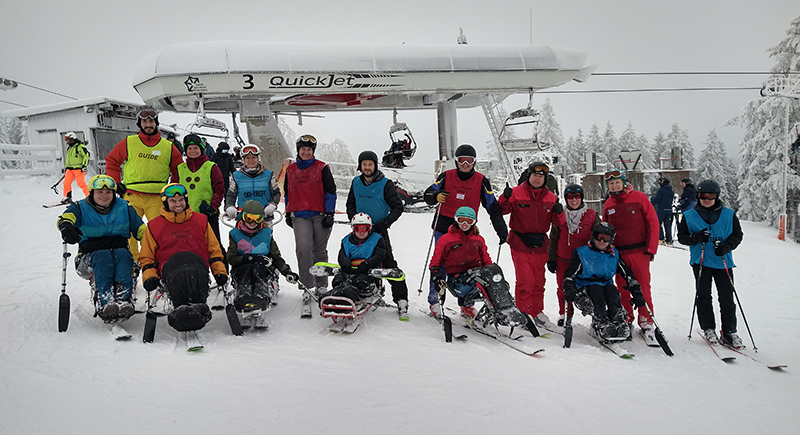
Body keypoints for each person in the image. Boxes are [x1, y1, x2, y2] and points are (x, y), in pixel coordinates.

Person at [423, 144, 508, 316]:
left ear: (474, 162)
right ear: (456, 161)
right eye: (462, 160)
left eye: (470, 161)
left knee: (470, 265)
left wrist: (502, 230)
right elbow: (428, 194)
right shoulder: (446, 176)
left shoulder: (481, 181)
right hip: (444, 227)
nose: (466, 164)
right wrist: (435, 197)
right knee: (441, 264)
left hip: (468, 227)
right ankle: (435, 300)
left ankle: (466, 303)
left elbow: (492, 207)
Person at [138, 183, 228, 332]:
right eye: (173, 201)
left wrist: (219, 271)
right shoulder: (154, 226)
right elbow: (147, 257)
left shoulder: (201, 221)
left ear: (186, 200)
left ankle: (194, 308)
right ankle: (184, 309)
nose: (178, 204)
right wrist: (149, 276)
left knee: (191, 266)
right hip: (171, 271)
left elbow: (214, 250)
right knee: (179, 267)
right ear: (165, 202)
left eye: (181, 200)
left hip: (198, 269)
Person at [57, 175, 146, 321]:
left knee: (123, 254)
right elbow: (65, 218)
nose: (104, 196)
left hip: (119, 254)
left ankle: (124, 300)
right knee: (103, 256)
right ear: (92, 193)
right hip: (89, 258)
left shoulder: (124, 206)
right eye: (100, 192)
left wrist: (153, 242)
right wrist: (66, 226)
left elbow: (141, 230)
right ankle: (106, 301)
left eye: (108, 192)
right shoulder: (80, 207)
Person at [104, 106, 183, 264]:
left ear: (156, 123)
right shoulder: (129, 142)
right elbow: (112, 161)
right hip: (132, 195)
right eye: (145, 121)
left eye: (151, 121)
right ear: (139, 123)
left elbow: (178, 169)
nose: (148, 124)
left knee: (158, 232)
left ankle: (157, 265)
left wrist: (174, 190)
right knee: (129, 233)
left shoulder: (167, 146)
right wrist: (116, 183)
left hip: (157, 197)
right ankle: (132, 265)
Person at [677, 179, 745, 348]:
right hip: (700, 262)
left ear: (717, 196)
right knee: (704, 296)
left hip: (723, 262)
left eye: (710, 196)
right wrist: (696, 237)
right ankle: (708, 328)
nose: (706, 199)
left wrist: (727, 246)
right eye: (702, 196)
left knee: (727, 298)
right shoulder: (689, 215)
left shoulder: (729, 214)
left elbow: (737, 235)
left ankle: (729, 331)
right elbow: (682, 237)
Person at [498, 161, 564, 324]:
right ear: (529, 176)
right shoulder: (516, 193)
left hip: (540, 245)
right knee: (525, 280)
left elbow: (559, 222)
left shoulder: (551, 197)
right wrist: (504, 197)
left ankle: (536, 311)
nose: (537, 179)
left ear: (545, 179)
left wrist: (559, 212)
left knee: (538, 281)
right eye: (535, 175)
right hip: (520, 243)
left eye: (541, 176)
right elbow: (502, 210)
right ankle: (523, 312)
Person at [346, 150, 409, 320]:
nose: (367, 167)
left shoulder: (385, 184)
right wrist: (354, 220)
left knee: (387, 262)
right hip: (359, 231)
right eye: (364, 164)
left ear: (375, 165)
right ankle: (363, 290)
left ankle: (401, 298)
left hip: (378, 231)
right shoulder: (356, 183)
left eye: (370, 164)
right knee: (356, 261)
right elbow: (350, 203)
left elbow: (398, 207)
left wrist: (384, 223)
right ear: (360, 166)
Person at [602, 170, 660, 344]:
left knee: (642, 288)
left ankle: (646, 322)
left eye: (617, 182)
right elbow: (606, 229)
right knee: (622, 288)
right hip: (619, 253)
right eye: (611, 184)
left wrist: (651, 248)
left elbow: (653, 222)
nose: (614, 186)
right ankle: (627, 319)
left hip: (639, 251)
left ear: (623, 182)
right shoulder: (609, 204)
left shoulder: (639, 198)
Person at [563, 222, 646, 342]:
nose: (601, 241)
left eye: (606, 238)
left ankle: (618, 321)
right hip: (585, 289)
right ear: (593, 236)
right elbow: (569, 274)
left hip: (606, 285)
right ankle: (601, 322)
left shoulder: (613, 254)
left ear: (611, 239)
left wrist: (637, 292)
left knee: (613, 291)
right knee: (596, 290)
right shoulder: (582, 253)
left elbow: (627, 274)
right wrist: (569, 288)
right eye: (598, 237)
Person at [283, 134, 337, 316]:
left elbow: (331, 191)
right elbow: (288, 192)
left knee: (319, 250)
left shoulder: (322, 167)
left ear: (313, 151)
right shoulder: (291, 170)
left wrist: (330, 212)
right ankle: (307, 284)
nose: (305, 152)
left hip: (320, 214)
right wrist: (288, 211)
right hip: (300, 215)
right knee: (303, 248)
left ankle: (321, 285)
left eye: (309, 150)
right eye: (303, 149)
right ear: (298, 150)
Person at [227, 200, 299, 329]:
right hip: (242, 268)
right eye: (249, 218)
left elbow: (276, 256)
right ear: (242, 217)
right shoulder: (235, 234)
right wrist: (248, 259)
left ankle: (261, 301)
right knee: (247, 271)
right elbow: (231, 258)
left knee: (257, 270)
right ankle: (244, 300)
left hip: (263, 268)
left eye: (257, 219)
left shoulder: (266, 234)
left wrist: (286, 271)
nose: (252, 223)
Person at [547, 183, 601, 326]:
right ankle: (565, 313)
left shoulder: (592, 215)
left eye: (577, 196)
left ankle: (596, 315)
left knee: (591, 288)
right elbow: (553, 238)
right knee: (563, 288)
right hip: (563, 259)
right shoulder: (560, 216)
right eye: (570, 197)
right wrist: (551, 259)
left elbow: (600, 238)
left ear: (582, 198)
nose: (574, 200)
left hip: (585, 261)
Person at [428, 206, 495, 320]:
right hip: (457, 277)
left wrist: (492, 272)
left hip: (475, 273)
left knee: (493, 285)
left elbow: (485, 259)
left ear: (474, 222)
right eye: (461, 220)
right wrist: (436, 273)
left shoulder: (478, 239)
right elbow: (436, 259)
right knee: (476, 284)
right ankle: (437, 304)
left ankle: (474, 307)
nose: (464, 224)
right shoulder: (446, 239)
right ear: (456, 220)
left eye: (469, 221)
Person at [320, 213, 387, 309]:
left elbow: (379, 256)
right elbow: (342, 255)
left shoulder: (377, 240)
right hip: (349, 270)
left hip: (367, 272)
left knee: (359, 281)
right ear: (353, 229)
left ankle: (346, 297)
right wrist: (345, 264)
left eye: (365, 229)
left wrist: (367, 264)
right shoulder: (346, 241)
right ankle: (332, 296)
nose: (362, 232)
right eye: (358, 229)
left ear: (370, 229)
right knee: (339, 279)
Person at [177, 134, 226, 252]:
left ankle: (221, 270)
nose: (192, 151)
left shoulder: (211, 167)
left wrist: (212, 207)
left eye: (195, 148)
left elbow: (219, 188)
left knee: (214, 247)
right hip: (186, 215)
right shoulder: (180, 168)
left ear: (201, 149)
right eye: (189, 148)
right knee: (189, 247)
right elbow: (174, 190)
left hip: (207, 214)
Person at [224, 143, 281, 222]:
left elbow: (276, 193)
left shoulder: (268, 174)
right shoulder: (236, 176)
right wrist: (230, 206)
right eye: (247, 158)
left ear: (258, 158)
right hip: (244, 217)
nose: (251, 160)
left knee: (265, 234)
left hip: (264, 216)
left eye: (254, 157)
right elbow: (231, 194)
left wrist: (272, 204)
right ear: (243, 160)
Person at [59, 132, 90, 204]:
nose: (66, 141)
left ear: (72, 138)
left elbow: (86, 156)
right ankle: (67, 197)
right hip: (70, 169)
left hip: (78, 168)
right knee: (66, 183)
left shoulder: (80, 147)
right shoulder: (69, 148)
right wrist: (67, 167)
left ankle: (89, 197)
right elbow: (68, 159)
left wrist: (84, 165)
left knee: (81, 183)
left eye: (67, 139)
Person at [651, 178, 675, 244]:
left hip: (661, 210)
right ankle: (669, 239)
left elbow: (657, 199)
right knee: (668, 225)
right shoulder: (671, 192)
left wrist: (651, 203)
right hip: (669, 210)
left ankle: (661, 238)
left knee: (658, 224)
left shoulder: (661, 191)